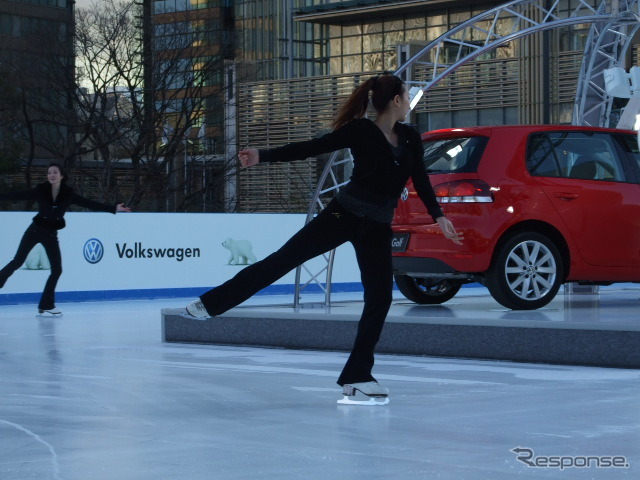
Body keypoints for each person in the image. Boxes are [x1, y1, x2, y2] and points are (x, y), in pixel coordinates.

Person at [185, 74, 463, 400]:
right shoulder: (360, 131)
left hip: (376, 226)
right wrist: (264, 155)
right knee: (282, 261)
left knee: (380, 297)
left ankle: (358, 375)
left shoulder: (410, 137)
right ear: (397, 101)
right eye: (406, 95)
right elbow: (312, 148)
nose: (411, 101)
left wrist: (439, 216)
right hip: (341, 215)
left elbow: (420, 179)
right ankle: (210, 304)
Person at [0, 163, 131, 316]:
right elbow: (17, 195)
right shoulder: (40, 190)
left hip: (51, 234)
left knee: (57, 269)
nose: (51, 175)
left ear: (61, 175)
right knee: (17, 261)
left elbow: (90, 204)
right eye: (49, 173)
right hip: (35, 230)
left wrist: (113, 208)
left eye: (55, 172)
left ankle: (46, 304)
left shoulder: (68, 194)